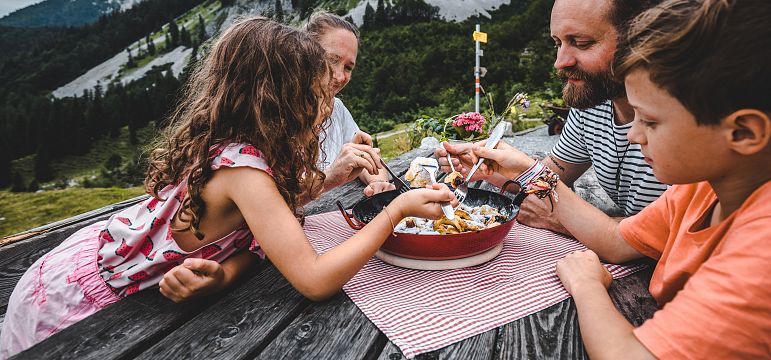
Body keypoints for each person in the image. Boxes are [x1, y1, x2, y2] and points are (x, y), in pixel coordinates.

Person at [0, 18, 457, 358]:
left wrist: (223, 275)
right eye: (319, 93)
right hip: (76, 302)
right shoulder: (244, 171)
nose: (330, 103)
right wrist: (395, 212)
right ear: (282, 102)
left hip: (105, 270)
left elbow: (251, 246)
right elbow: (315, 280)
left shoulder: (256, 160)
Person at [464, 0, 771, 357]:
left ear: (745, 133)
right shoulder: (701, 189)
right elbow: (616, 241)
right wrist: (523, 170)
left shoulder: (761, 249)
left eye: (650, 121)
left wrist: (587, 285)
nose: (632, 134)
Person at [437, 0, 668, 235]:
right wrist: (482, 168)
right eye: (557, 43)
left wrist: (561, 220)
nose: (560, 62)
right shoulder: (592, 104)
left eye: (581, 43)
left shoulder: (684, 115)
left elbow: (674, 232)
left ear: (639, 40)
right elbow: (549, 179)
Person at [302, 11, 394, 197]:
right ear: (304, 52)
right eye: (332, 60)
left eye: (348, 67)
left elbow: (364, 159)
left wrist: (378, 182)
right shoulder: (275, 110)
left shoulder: (337, 108)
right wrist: (329, 177)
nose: (339, 76)